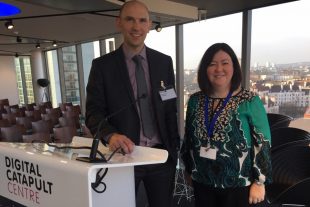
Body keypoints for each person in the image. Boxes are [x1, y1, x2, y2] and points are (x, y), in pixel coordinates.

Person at [85, 1, 180, 206]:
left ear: (149, 25)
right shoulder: (102, 66)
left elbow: (170, 109)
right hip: (124, 158)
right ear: (119, 23)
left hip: (161, 156)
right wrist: (110, 134)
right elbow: (93, 113)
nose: (136, 27)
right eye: (130, 20)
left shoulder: (164, 62)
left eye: (142, 21)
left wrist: (175, 152)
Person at [181, 43, 272, 207]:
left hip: (238, 184)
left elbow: (263, 142)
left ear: (234, 68)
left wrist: (260, 183)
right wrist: (188, 170)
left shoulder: (249, 101)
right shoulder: (195, 100)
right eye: (212, 64)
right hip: (202, 180)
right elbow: (189, 138)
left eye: (224, 63)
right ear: (205, 69)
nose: (219, 69)